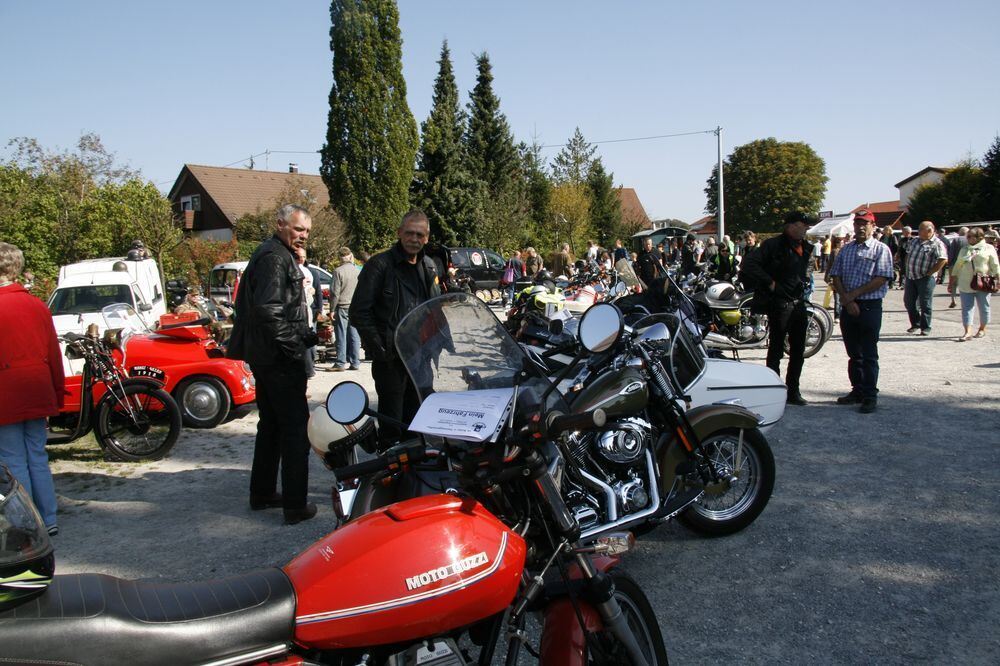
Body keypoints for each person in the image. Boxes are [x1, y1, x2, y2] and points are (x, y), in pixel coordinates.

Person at [227, 204, 318, 525]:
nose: (303, 235)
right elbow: (269, 310)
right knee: (294, 430)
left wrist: (306, 335)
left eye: (306, 230)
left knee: (272, 426)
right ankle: (295, 505)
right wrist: (294, 347)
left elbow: (279, 309)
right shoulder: (274, 257)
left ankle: (263, 493)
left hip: (270, 356)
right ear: (280, 225)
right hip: (278, 359)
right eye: (297, 229)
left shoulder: (275, 254)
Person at [350, 209, 441, 445]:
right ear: (399, 233)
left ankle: (416, 474)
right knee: (393, 424)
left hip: (420, 357)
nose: (414, 239)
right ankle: (389, 476)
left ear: (427, 237)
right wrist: (380, 349)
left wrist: (439, 343)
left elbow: (436, 308)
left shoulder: (429, 266)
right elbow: (359, 312)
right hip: (392, 359)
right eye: (409, 233)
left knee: (419, 421)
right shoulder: (380, 265)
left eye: (420, 234)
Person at [0, 243, 64, 536]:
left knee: (13, 459)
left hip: (7, 390)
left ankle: (29, 521)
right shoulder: (37, 305)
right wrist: (57, 393)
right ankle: (48, 517)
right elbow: (53, 353)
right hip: (37, 387)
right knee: (37, 455)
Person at [741, 211, 816, 406]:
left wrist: (805, 280)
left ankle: (793, 391)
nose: (806, 228)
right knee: (776, 349)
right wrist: (770, 282)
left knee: (798, 349)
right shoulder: (772, 245)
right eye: (803, 224)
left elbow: (806, 270)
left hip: (799, 303)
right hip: (780, 303)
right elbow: (749, 264)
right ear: (791, 225)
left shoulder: (807, 247)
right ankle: (773, 391)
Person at [828, 210, 894, 414]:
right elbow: (835, 275)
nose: (861, 227)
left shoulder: (881, 249)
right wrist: (847, 300)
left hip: (869, 306)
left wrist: (853, 295)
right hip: (849, 307)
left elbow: (882, 277)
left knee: (868, 354)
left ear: (873, 226)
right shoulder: (845, 250)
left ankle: (870, 395)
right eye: (858, 223)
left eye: (865, 223)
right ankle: (857, 390)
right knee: (853, 354)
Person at [949, 227, 1000, 341]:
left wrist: (998, 279)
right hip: (965, 282)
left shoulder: (988, 248)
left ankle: (982, 328)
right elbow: (957, 265)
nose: (967, 238)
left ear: (979, 237)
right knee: (967, 308)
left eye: (969, 236)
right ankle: (968, 332)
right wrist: (952, 280)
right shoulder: (964, 249)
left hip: (983, 283)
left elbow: (995, 265)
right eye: (967, 236)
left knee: (984, 307)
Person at [902, 220, 948, 336]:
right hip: (911, 276)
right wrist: (907, 267)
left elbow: (943, 259)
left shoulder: (937, 243)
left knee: (925, 303)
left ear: (929, 230)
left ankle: (925, 327)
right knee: (909, 302)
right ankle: (915, 323)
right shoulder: (914, 241)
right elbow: (908, 253)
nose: (919, 231)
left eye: (921, 229)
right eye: (919, 229)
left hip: (925, 278)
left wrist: (931, 272)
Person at [328, 246, 361, 371]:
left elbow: (335, 293)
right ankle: (355, 362)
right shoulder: (357, 270)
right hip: (354, 306)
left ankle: (341, 362)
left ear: (340, 257)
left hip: (342, 306)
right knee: (354, 335)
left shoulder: (338, 271)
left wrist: (331, 309)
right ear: (350, 255)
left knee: (341, 334)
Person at [294, 248, 319, 378]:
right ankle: (309, 369)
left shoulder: (307, 271)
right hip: (301, 312)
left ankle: (309, 369)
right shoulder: (295, 269)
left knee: (306, 343)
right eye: (299, 257)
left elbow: (311, 293)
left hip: (304, 312)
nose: (302, 259)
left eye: (303, 256)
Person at [946, 226, 969, 308]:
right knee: (964, 284)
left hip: (955, 264)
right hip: (967, 265)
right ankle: (965, 302)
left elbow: (951, 253)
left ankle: (953, 300)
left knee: (953, 284)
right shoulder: (970, 240)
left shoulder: (956, 240)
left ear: (959, 232)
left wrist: (949, 263)